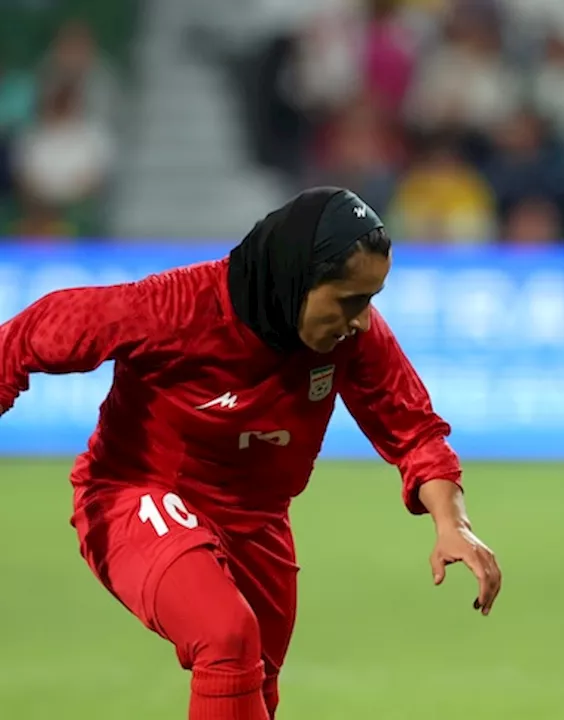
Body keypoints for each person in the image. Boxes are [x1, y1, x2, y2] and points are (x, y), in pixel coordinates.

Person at [0, 187, 502, 720]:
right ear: (296, 277)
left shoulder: (355, 339)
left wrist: (453, 523)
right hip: (138, 492)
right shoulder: (176, 308)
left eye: (371, 301)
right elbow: (33, 335)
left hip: (258, 526)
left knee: (253, 691)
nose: (360, 320)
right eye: (350, 300)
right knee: (226, 636)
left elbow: (415, 430)